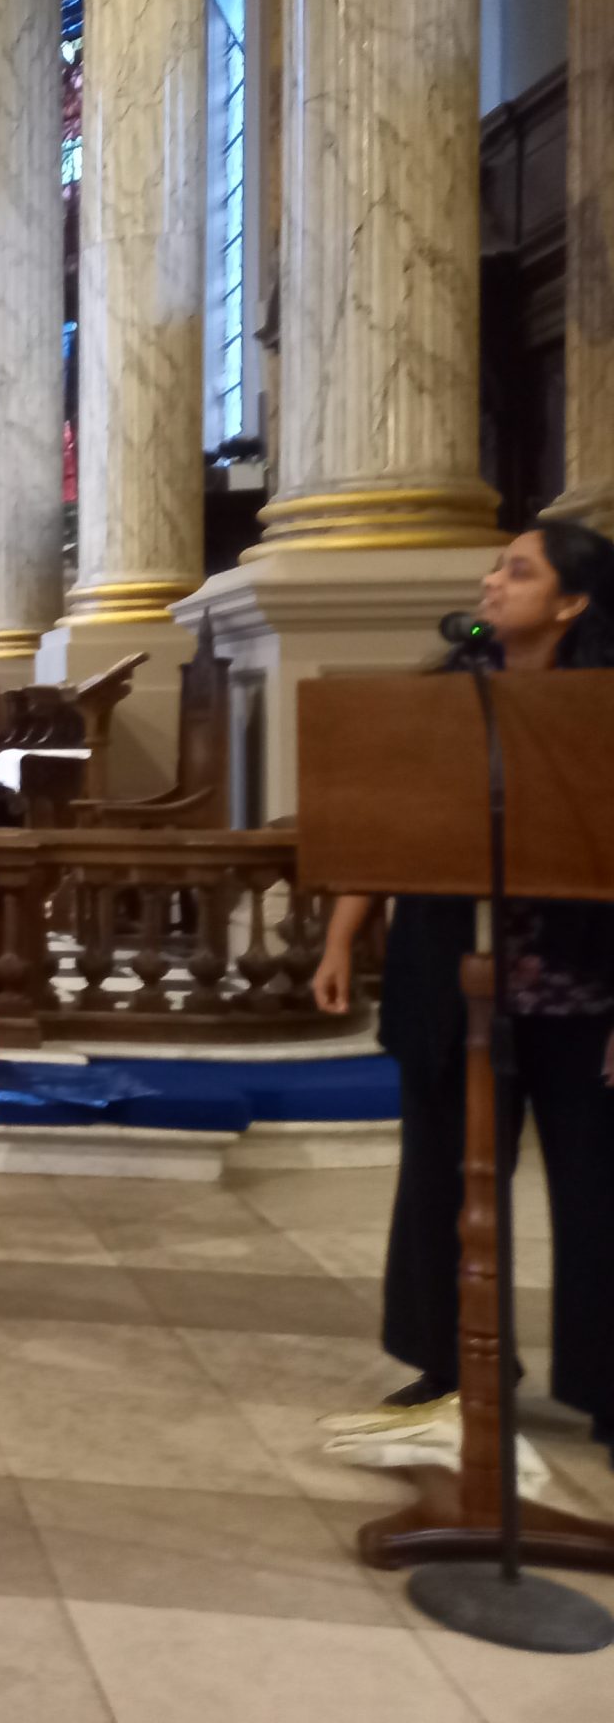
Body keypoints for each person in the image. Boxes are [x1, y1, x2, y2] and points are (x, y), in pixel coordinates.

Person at [313, 520, 614, 1451]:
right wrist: (341, 938)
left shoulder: (603, 708)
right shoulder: (449, 696)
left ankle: (608, 1385)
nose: (492, 584)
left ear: (573, 602)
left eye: (518, 572)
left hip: (581, 989)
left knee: (598, 1191)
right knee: (443, 1179)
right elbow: (385, 824)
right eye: (494, 568)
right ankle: (454, 1366)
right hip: (453, 981)